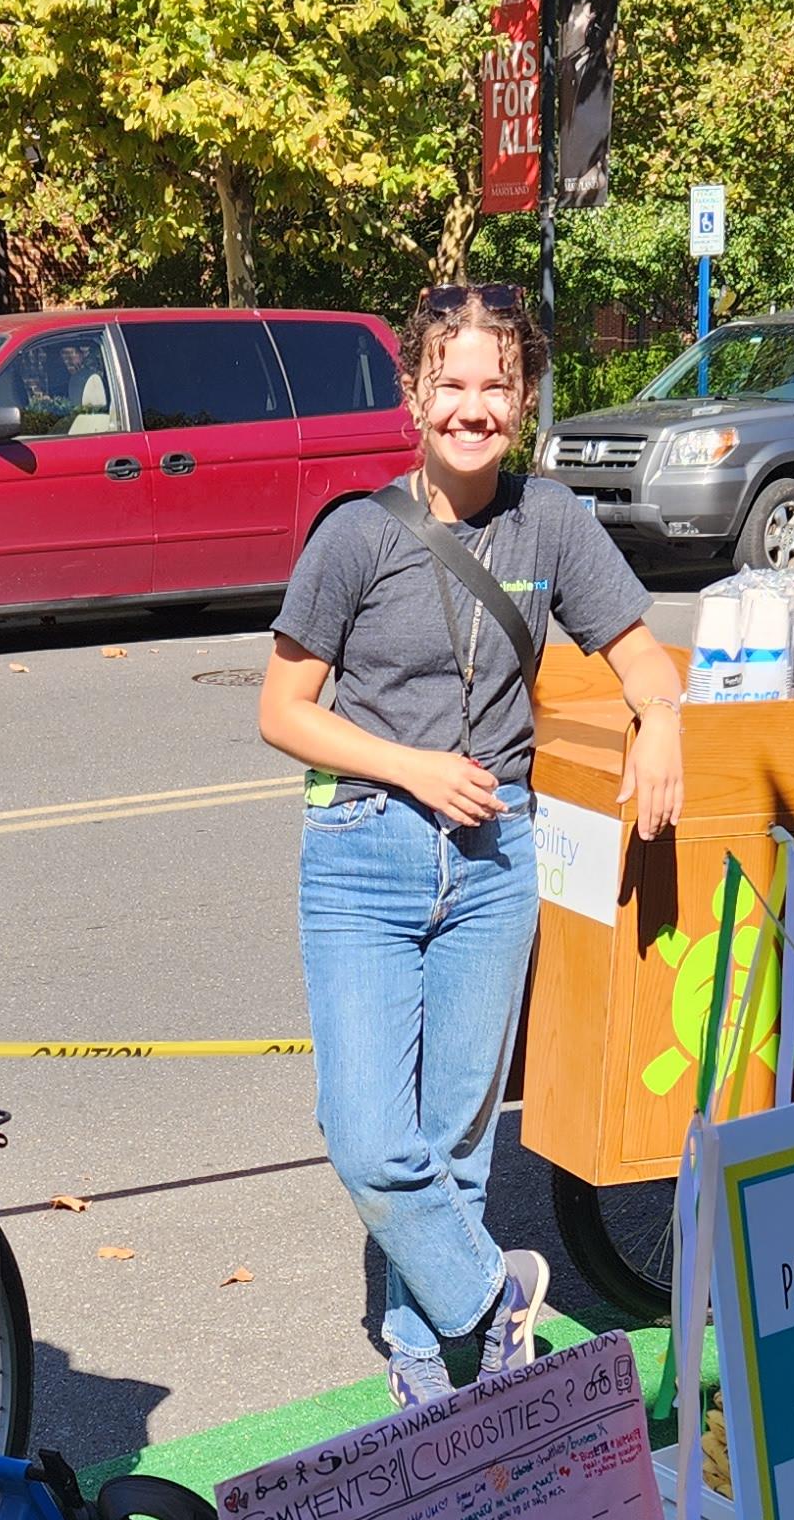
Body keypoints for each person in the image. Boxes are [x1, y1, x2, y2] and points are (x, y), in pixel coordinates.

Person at [257, 283, 687, 1407]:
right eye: (450, 383)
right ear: (413, 398)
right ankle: (497, 1298)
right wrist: (408, 766)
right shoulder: (355, 536)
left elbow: (641, 654)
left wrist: (663, 726)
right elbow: (284, 710)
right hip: (363, 851)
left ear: (526, 400)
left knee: (453, 1144)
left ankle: (424, 1353)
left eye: (496, 386)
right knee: (365, 1135)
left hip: (498, 865)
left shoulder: (549, 522)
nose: (472, 406)